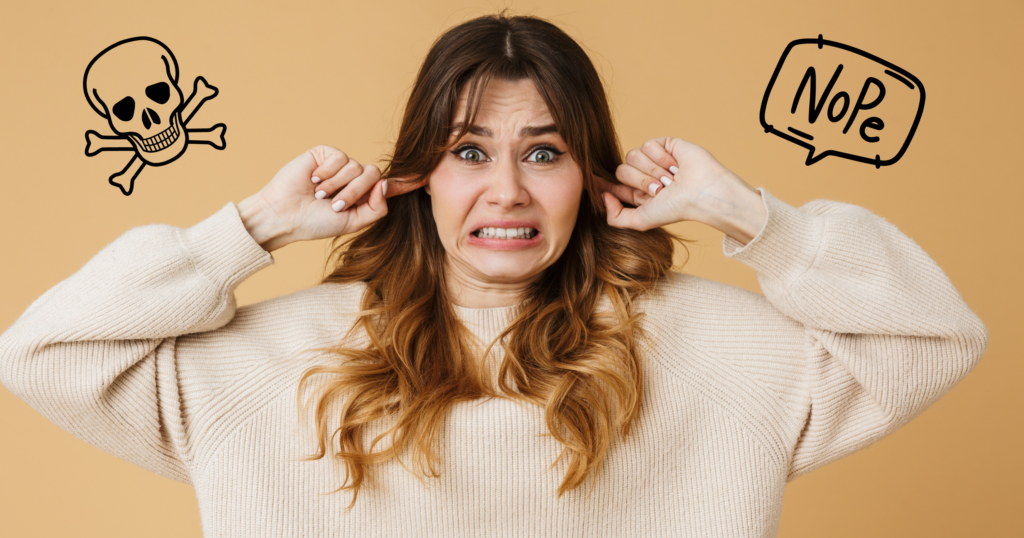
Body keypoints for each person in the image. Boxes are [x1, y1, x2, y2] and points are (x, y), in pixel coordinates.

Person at [0, 12, 987, 538]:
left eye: (545, 152)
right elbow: (40, 355)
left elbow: (932, 335)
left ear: (588, 175)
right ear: (419, 172)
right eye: (470, 152)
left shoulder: (707, 349)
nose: (507, 191)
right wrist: (249, 227)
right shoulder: (279, 356)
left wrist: (751, 215)